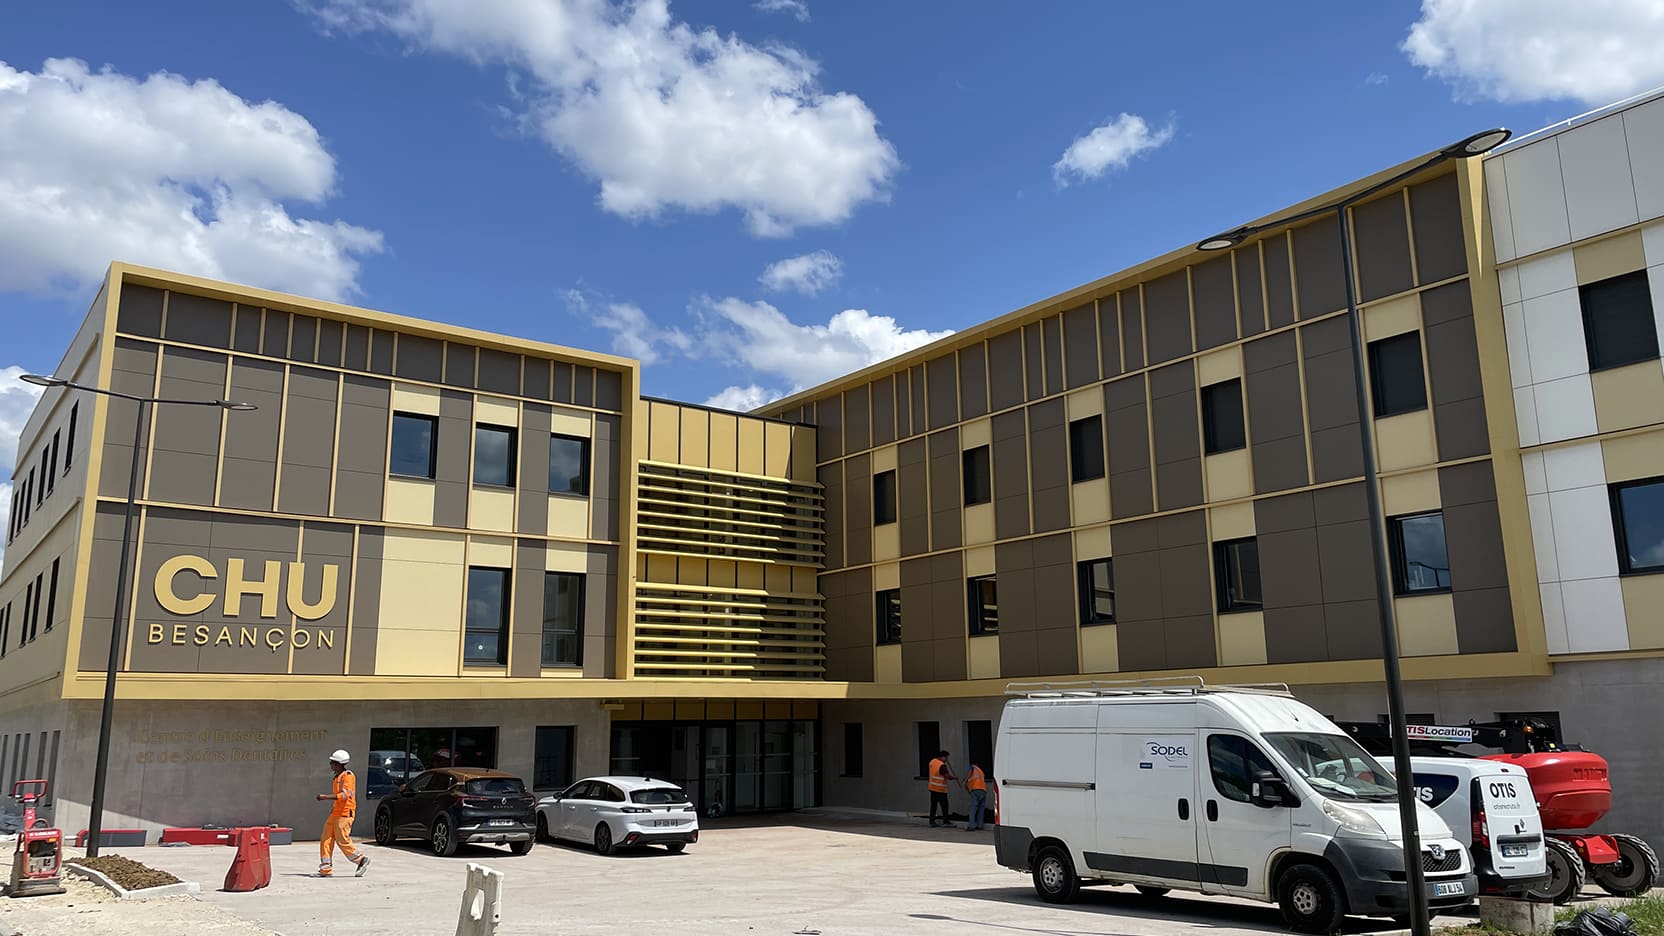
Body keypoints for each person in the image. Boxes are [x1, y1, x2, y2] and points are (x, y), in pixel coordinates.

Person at [316, 749, 369, 877]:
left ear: (339, 763)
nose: (330, 764)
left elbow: (345, 796)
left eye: (333, 762)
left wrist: (325, 797)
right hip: (335, 813)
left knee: (342, 840)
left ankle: (361, 860)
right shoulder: (337, 777)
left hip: (345, 814)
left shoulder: (348, 776)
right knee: (326, 838)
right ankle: (325, 869)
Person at [926, 749, 956, 827]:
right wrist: (953, 777)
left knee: (933, 805)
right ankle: (945, 821)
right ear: (943, 757)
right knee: (944, 806)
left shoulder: (932, 762)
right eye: (946, 758)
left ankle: (931, 821)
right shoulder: (942, 765)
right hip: (940, 789)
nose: (947, 760)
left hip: (932, 788)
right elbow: (946, 776)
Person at [964, 762, 988, 831]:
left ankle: (971, 826)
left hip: (976, 790)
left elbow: (969, 775)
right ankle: (980, 826)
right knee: (981, 809)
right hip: (983, 791)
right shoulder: (980, 771)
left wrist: (965, 781)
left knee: (973, 808)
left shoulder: (972, 767)